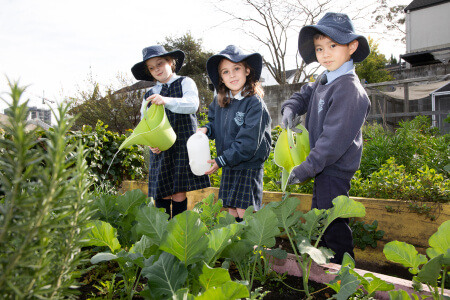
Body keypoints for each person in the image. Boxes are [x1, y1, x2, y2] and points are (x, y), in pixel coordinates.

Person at [280, 12, 371, 264]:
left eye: (333, 46)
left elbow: (332, 142)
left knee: (333, 226)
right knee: (322, 221)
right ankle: (329, 269)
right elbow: (305, 92)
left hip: (334, 170)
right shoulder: (325, 79)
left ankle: (347, 275)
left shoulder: (349, 90)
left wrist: (306, 168)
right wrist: (291, 108)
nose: (325, 54)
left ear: (352, 47)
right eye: (320, 48)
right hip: (323, 169)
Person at [131, 45, 210, 219]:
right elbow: (146, 124)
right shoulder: (149, 94)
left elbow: (192, 104)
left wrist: (165, 100)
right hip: (161, 148)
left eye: (159, 63)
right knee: (161, 192)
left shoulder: (185, 82)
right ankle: (162, 234)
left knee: (179, 192)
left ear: (170, 62)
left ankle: (180, 233)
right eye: (151, 68)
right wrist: (151, 143)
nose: (156, 69)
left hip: (182, 143)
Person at [198, 45, 272, 222]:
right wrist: (207, 130)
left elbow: (248, 143)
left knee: (244, 210)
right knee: (231, 207)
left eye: (236, 68)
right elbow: (215, 124)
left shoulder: (254, 104)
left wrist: (221, 160)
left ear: (247, 71)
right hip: (231, 163)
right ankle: (236, 244)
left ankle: (252, 248)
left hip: (247, 165)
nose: (232, 75)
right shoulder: (220, 102)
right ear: (221, 78)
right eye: (225, 71)